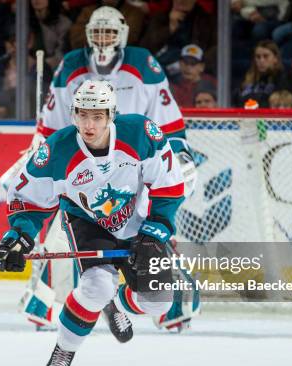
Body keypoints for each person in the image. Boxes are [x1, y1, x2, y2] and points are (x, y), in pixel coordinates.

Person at [15, 6, 196, 333]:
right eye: (97, 32)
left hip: (134, 167)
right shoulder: (72, 65)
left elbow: (166, 119)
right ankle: (44, 299)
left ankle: (167, 302)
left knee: (152, 227)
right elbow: (52, 124)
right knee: (63, 227)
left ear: (123, 33)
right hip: (84, 161)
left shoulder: (143, 64)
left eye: (109, 32)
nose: (103, 39)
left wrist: (178, 152)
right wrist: (39, 151)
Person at [0, 80, 187, 366]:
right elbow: (28, 199)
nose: (89, 124)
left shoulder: (140, 133)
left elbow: (169, 185)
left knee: (158, 301)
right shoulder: (57, 150)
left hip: (137, 221)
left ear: (112, 115)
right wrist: (18, 236)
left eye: (97, 116)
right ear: (73, 114)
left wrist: (157, 229)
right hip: (87, 222)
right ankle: (64, 350)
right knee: (96, 286)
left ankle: (118, 303)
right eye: (83, 115)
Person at [235, 40, 289, 107]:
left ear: (276, 58)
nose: (261, 60)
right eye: (258, 57)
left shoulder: (284, 77)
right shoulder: (247, 78)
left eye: (266, 56)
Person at [30, 0, 73, 71]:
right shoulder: (24, 21)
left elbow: (62, 51)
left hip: (54, 69)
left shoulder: (64, 23)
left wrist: (44, 64)